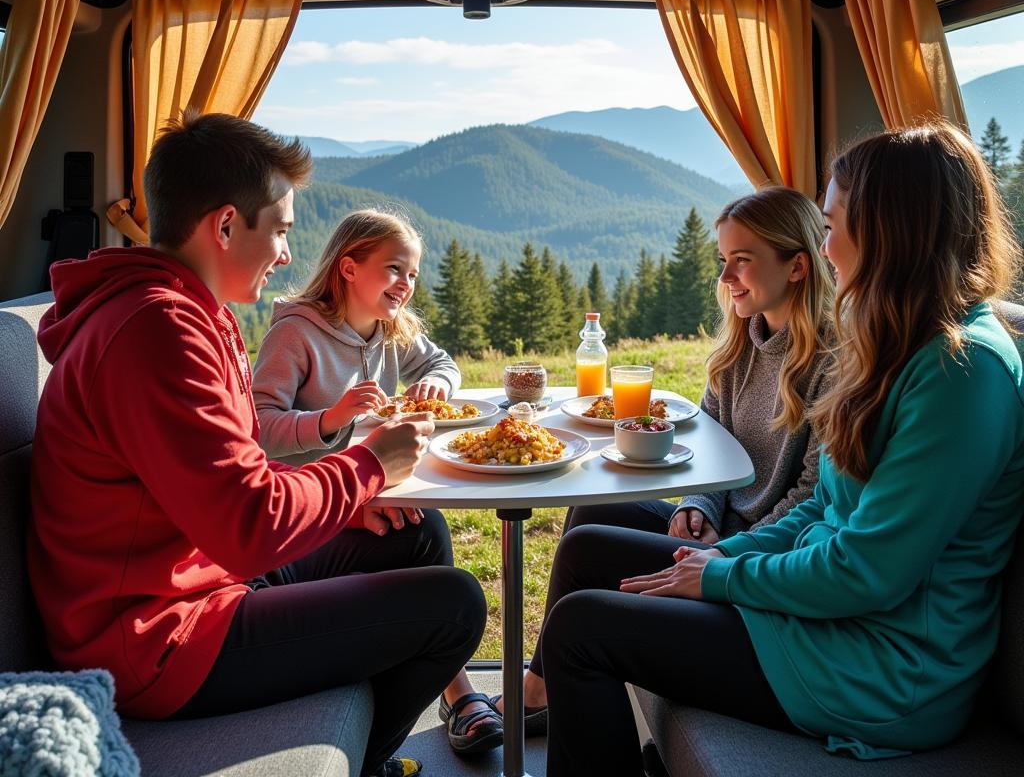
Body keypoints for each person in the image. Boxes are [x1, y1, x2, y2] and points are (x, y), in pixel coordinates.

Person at [537, 123, 1024, 776]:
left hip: (879, 668)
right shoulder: (900, 343)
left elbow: (867, 571)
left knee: (582, 629)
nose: (824, 248)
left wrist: (721, 575)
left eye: (831, 226)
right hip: (830, 624)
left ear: (889, 228)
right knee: (592, 549)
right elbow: (825, 507)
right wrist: (724, 551)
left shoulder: (961, 373)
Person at [27, 113, 487, 777]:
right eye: (279, 230)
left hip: (205, 573)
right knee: (455, 606)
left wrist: (347, 502)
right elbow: (249, 522)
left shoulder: (187, 311)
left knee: (414, 534)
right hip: (154, 640)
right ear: (223, 226)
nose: (285, 254)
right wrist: (365, 466)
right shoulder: (155, 330)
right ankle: (368, 764)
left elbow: (233, 481)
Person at [495, 185, 835, 732]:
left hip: (753, 556)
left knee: (588, 582)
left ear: (798, 266)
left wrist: (723, 551)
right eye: (723, 262)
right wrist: (697, 504)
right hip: (719, 530)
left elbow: (813, 497)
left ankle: (543, 693)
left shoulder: (832, 363)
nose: (725, 279)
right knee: (591, 517)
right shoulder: (739, 347)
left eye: (741, 263)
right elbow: (710, 444)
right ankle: (539, 690)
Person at [252, 208, 504, 756]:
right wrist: (330, 418)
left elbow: (441, 362)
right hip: (302, 509)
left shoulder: (391, 331)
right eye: (394, 269)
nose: (406, 285)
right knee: (425, 535)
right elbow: (259, 429)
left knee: (423, 527)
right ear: (348, 267)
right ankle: (456, 694)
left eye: (412, 274)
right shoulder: (296, 335)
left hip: (359, 495)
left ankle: (450, 692)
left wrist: (435, 384)